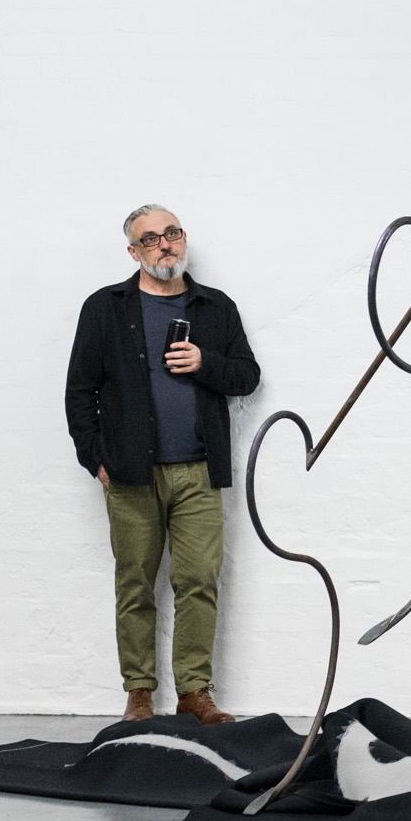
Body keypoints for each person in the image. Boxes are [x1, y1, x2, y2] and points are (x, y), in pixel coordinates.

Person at [64, 205, 261, 725]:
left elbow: (246, 376)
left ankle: (195, 693)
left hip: (198, 470)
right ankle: (140, 694)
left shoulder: (214, 308)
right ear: (134, 252)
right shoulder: (105, 308)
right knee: (135, 584)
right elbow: (79, 391)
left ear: (184, 238)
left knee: (199, 579)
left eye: (171, 234)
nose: (164, 245)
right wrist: (95, 459)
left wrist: (206, 363)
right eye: (150, 240)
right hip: (129, 474)